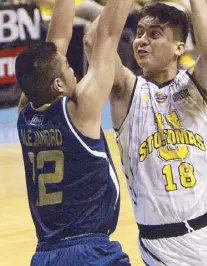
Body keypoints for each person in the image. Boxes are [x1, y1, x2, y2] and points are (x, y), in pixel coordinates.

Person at [84, 0, 207, 265]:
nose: (141, 41)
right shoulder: (126, 92)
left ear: (179, 48)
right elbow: (94, 43)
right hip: (163, 246)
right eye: (139, 33)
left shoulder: (198, 86)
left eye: (154, 34)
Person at [15, 0, 134, 264]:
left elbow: (58, 38)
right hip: (90, 250)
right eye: (68, 66)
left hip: (45, 254)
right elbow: (109, 35)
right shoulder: (79, 111)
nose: (72, 70)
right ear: (58, 84)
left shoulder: (25, 114)